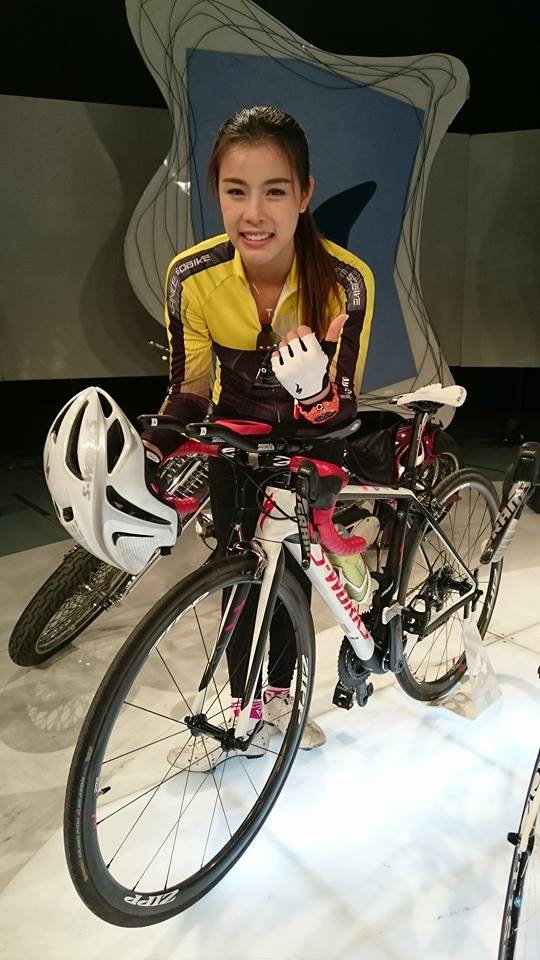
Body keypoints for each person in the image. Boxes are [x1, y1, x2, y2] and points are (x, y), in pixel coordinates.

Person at [142, 105, 375, 770]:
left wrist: (314, 391)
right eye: (235, 191)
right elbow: (189, 390)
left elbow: (343, 410)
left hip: (315, 441)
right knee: (239, 575)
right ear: (215, 192)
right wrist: (149, 451)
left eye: (275, 191)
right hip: (237, 438)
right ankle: (243, 702)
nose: (253, 214)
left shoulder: (346, 282)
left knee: (292, 572)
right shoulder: (191, 276)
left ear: (304, 194)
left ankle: (281, 697)